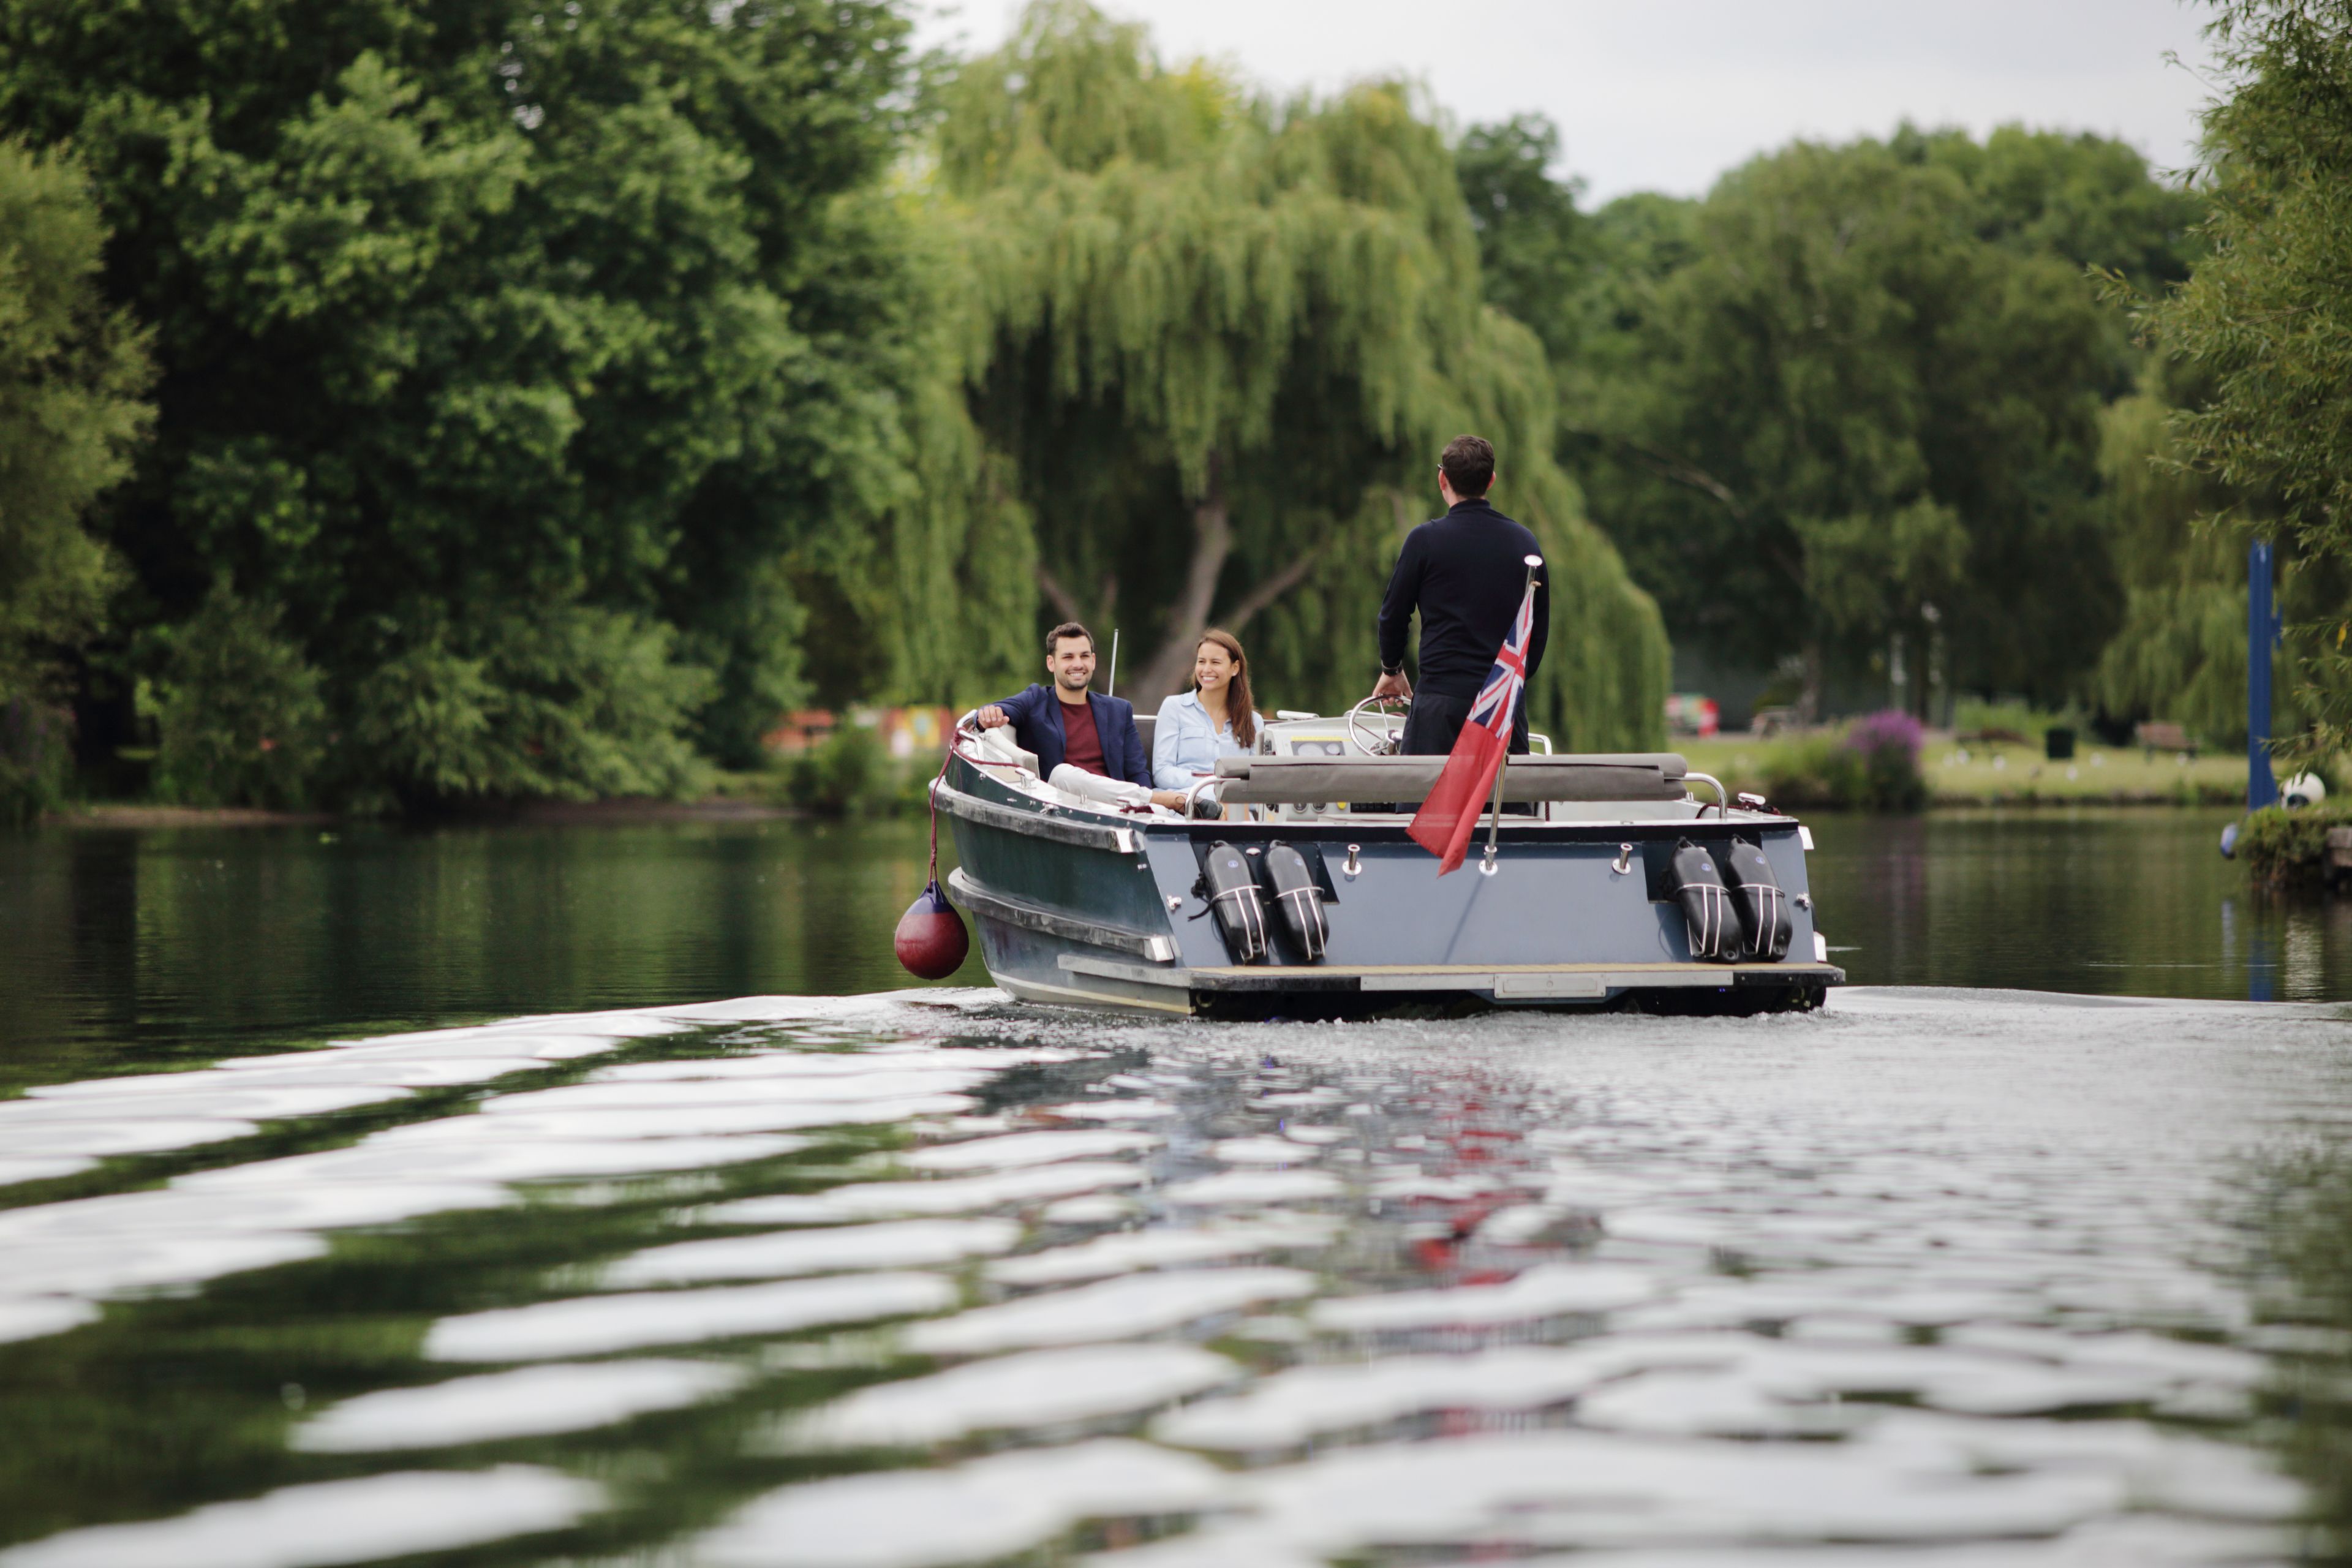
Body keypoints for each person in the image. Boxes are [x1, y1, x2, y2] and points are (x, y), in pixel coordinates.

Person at [1371, 434, 1549, 756]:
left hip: (1439, 706)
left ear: (1443, 478)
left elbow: (1393, 615)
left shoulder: (1424, 541)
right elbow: (1536, 631)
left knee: (1427, 804)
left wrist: (1392, 669)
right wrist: (1511, 683)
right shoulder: (1525, 544)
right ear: (1491, 481)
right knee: (1503, 805)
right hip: (1502, 708)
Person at [976, 622, 1189, 809]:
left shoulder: (1119, 710)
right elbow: (994, 711)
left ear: (1093, 661)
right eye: (1068, 657)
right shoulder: (1036, 699)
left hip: (1119, 809)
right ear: (1051, 663)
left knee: (1163, 815)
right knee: (1062, 773)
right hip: (1064, 808)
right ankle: (1165, 800)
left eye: (1084, 656)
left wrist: (1146, 806)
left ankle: (1163, 805)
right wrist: (987, 717)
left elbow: (1137, 773)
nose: (1078, 664)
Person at [1153, 628, 1264, 802]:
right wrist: (1210, 783)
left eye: (1215, 662)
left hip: (1234, 810)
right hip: (1183, 807)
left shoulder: (1254, 721)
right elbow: (1162, 772)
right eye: (1201, 661)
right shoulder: (1174, 707)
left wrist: (1224, 789)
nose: (1206, 669)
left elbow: (1258, 779)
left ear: (1235, 668)